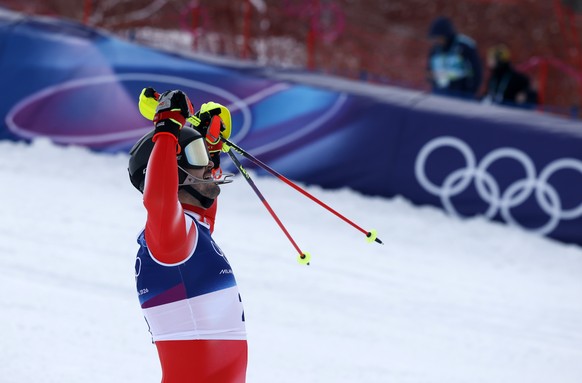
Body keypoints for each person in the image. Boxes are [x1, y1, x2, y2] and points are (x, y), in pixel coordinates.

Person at [128, 89, 247, 383]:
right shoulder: (169, 241)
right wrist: (167, 130)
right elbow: (159, 199)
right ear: (173, 171)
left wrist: (210, 144)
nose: (209, 165)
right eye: (198, 156)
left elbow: (201, 202)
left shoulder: (192, 233)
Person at [427, 16, 483, 99]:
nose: (436, 40)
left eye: (438, 37)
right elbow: (429, 71)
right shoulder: (435, 50)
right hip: (440, 94)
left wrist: (470, 92)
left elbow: (477, 70)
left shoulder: (464, 46)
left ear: (445, 34)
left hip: (462, 95)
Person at [482, 44, 538, 108]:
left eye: (491, 59)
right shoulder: (493, 77)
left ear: (498, 61)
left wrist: (526, 95)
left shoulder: (516, 78)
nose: (488, 62)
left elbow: (530, 94)